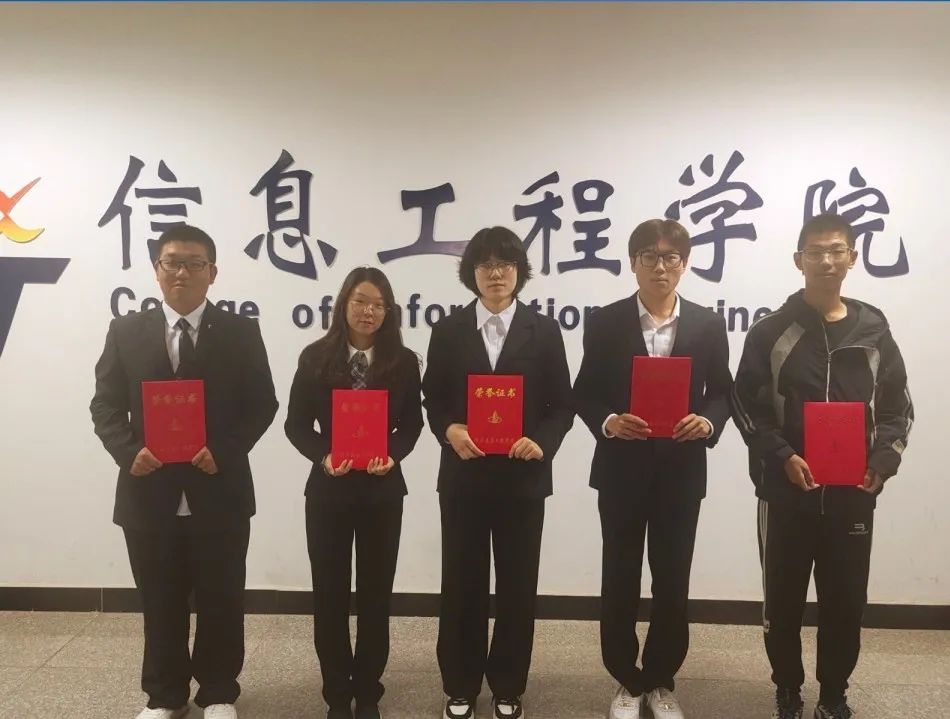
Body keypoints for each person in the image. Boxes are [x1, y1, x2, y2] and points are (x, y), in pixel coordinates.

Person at [90, 224, 278, 719]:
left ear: (213, 273)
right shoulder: (125, 331)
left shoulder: (240, 332)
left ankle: (218, 692)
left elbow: (262, 403)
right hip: (148, 490)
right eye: (172, 262)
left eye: (195, 263)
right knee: (159, 599)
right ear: (156, 270)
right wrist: (128, 450)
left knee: (222, 597)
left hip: (220, 488)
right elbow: (104, 404)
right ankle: (165, 695)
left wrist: (226, 451)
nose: (182, 272)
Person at [732, 213, 913, 719]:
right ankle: (787, 689)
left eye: (836, 251)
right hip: (785, 492)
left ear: (852, 258)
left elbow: (898, 408)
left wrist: (882, 462)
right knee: (782, 600)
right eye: (816, 252)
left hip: (853, 493)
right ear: (799, 260)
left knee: (845, 600)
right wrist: (783, 456)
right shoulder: (770, 331)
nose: (827, 260)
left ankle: (834, 694)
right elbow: (746, 405)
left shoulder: (874, 329)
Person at [573, 218, 733, 719]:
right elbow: (584, 392)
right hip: (621, 470)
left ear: (684, 265)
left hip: (681, 472)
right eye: (649, 256)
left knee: (672, 577)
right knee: (619, 575)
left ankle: (661, 678)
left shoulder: (707, 324)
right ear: (633, 262)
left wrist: (707, 421)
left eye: (670, 257)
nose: (660, 266)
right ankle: (626, 677)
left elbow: (723, 392)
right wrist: (609, 421)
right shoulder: (606, 322)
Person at [422, 226, 574, 719]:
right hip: (464, 476)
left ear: (519, 272)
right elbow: (433, 399)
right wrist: (449, 429)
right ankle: (460, 684)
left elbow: (562, 405)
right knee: (461, 582)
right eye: (485, 264)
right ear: (471, 273)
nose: (495, 273)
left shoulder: (543, 330)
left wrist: (542, 442)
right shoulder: (448, 330)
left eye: (505, 264)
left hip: (521, 478)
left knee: (516, 585)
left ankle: (508, 684)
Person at [285, 267, 423, 719]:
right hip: (329, 491)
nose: (369, 311)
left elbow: (412, 426)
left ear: (389, 312)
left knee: (375, 596)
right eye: (361, 301)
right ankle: (336, 694)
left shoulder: (404, 362)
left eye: (379, 305)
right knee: (329, 596)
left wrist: (393, 455)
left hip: (383, 493)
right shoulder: (315, 358)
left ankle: (367, 692)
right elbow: (296, 425)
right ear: (343, 304)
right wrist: (323, 456)